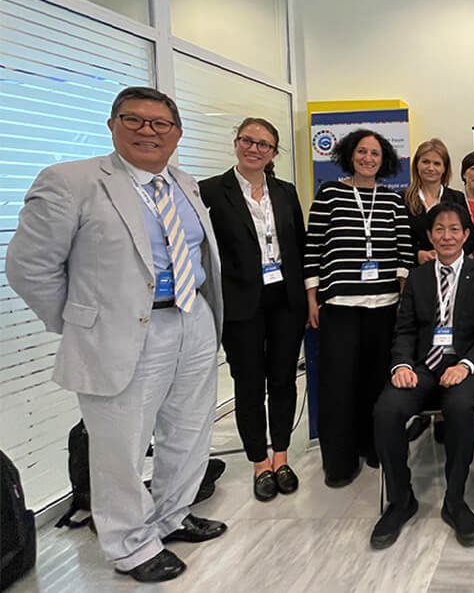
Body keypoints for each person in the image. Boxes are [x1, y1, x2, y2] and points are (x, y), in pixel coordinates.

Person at [7, 87, 226, 582]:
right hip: (123, 332)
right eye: (134, 120)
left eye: (160, 123)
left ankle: (171, 516)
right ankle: (130, 545)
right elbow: (29, 268)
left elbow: (197, 254)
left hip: (190, 318)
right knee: (120, 446)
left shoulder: (184, 184)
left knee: (189, 429)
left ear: (177, 134)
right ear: (113, 125)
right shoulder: (72, 181)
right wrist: (81, 322)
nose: (148, 131)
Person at [371, 203, 474, 549]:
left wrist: (466, 366)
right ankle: (401, 500)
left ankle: (455, 501)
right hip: (423, 366)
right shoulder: (418, 277)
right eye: (439, 229)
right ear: (429, 235)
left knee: (459, 408)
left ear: (466, 235)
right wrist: (401, 365)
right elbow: (404, 329)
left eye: (454, 229)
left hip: (464, 365)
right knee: (386, 410)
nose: (447, 236)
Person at [199, 118, 307, 502]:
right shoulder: (210, 191)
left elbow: (299, 245)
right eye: (248, 140)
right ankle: (259, 462)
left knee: (283, 380)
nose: (255, 149)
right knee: (249, 384)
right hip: (240, 303)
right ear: (236, 142)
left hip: (285, 300)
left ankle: (281, 458)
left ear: (273, 152)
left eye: (264, 144)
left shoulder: (285, 191)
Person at [304, 129, 415, 488]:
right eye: (362, 152)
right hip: (340, 306)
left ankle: (375, 447)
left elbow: (404, 254)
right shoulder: (329, 195)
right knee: (338, 385)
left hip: (384, 305)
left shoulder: (393, 200)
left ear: (385, 160)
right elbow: (313, 249)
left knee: (376, 382)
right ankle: (339, 462)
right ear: (350, 155)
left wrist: (402, 302)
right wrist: (312, 299)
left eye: (375, 153)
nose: (368, 158)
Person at [404, 138, 474, 265]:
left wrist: (450, 254)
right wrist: (417, 254)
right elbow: (397, 241)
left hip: (451, 271)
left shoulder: (456, 198)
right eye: (425, 162)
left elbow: (471, 239)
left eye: (437, 163)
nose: (431, 168)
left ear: (444, 168)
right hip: (415, 270)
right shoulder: (403, 199)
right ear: (416, 165)